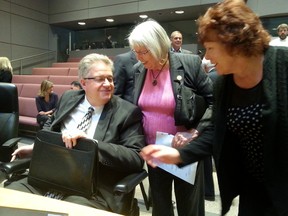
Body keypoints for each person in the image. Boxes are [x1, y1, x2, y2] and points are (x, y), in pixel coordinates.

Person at [141, 1, 288, 216]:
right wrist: (180, 155)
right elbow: (217, 131)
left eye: (210, 48)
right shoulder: (224, 83)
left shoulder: (283, 65)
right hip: (254, 190)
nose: (207, 57)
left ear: (233, 43)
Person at [9, 53, 145, 215]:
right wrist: (36, 147)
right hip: (50, 177)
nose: (108, 84)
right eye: (100, 79)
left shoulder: (127, 112)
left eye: (110, 78)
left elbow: (136, 158)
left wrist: (91, 143)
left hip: (92, 189)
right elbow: (49, 126)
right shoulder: (68, 98)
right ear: (83, 83)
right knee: (11, 202)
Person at [128, 19, 213, 216]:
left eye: (143, 51)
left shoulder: (190, 64)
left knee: (188, 206)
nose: (139, 57)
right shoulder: (139, 70)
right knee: (160, 205)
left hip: (184, 151)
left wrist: (195, 131)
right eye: (136, 51)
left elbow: (215, 101)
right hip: (154, 150)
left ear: (157, 45)